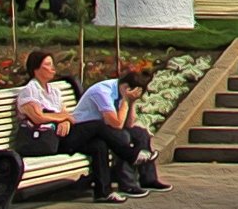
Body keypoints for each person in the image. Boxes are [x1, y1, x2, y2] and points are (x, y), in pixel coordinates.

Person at [64, 67, 167, 200]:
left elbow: (129, 124)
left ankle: (148, 179)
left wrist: (132, 102)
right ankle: (128, 184)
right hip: (84, 132)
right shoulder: (103, 92)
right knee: (123, 137)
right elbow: (117, 124)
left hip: (103, 130)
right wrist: (125, 100)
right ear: (125, 87)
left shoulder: (120, 91)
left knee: (140, 133)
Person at [15, 49, 75, 161]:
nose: (53, 68)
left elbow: (64, 113)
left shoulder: (54, 91)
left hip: (59, 137)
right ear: (36, 69)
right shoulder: (30, 91)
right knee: (97, 128)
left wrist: (65, 121)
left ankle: (103, 178)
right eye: (48, 65)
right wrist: (64, 118)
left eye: (52, 64)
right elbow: (38, 118)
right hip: (42, 140)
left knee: (98, 146)